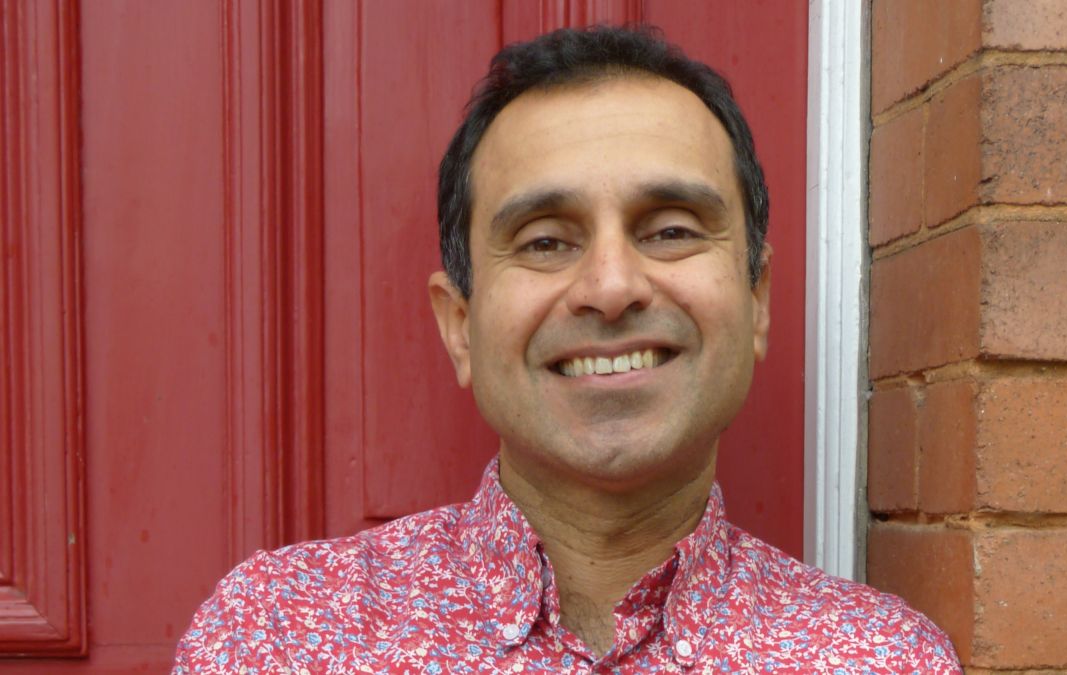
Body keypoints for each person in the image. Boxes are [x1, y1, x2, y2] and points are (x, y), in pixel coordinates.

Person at [174, 25, 961, 673]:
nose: (611, 286)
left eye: (670, 230)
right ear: (459, 325)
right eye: (546, 240)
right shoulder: (275, 636)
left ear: (756, 301)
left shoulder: (882, 659)